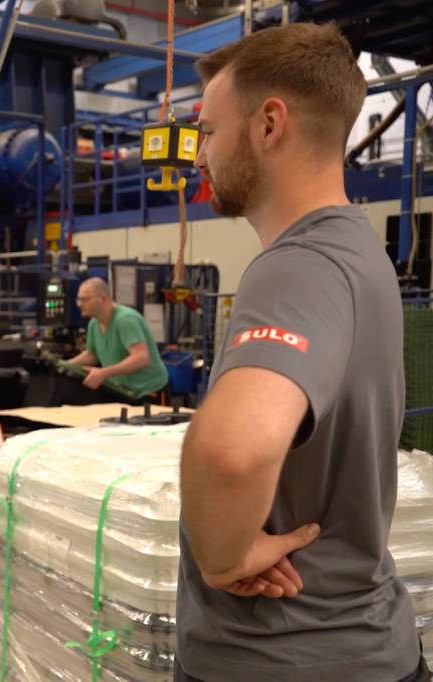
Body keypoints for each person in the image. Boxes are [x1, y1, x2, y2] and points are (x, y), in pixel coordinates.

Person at [176, 22, 427, 682]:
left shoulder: (300, 266)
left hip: (280, 654)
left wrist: (222, 559)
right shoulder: (356, 251)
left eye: (208, 131)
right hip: (352, 647)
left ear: (269, 125)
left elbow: (231, 451)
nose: (198, 156)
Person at [67, 277, 170, 404]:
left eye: (84, 299)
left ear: (102, 298)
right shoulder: (94, 323)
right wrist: (65, 365)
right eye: (78, 299)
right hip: (123, 392)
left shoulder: (125, 319)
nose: (79, 304)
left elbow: (141, 358)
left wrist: (104, 373)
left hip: (148, 392)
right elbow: (92, 355)